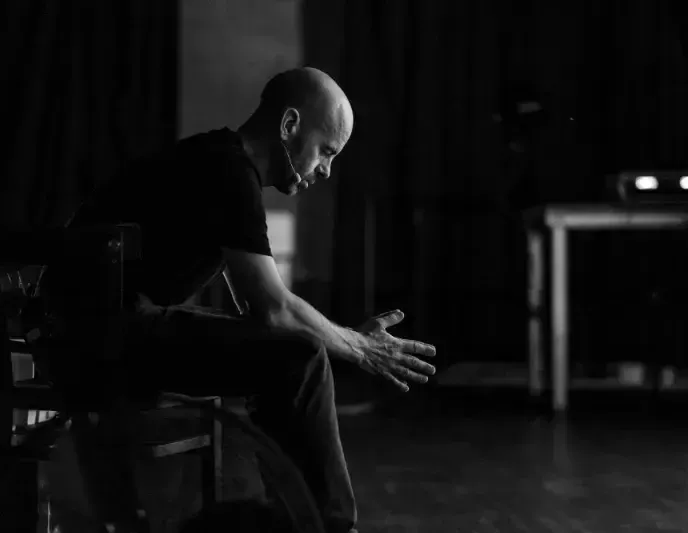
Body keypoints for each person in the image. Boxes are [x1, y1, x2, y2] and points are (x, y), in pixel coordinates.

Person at [47, 67, 437, 533]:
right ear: (290, 125)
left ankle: (299, 516)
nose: (327, 169)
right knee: (299, 355)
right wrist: (361, 347)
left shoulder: (222, 162)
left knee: (285, 349)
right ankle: (330, 526)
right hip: (98, 336)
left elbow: (259, 309)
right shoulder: (228, 169)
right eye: (327, 151)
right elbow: (275, 308)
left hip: (108, 325)